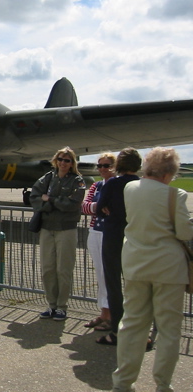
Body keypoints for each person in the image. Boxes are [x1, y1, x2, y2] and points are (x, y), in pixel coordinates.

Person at [112, 147, 193, 392]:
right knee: (169, 328)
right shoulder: (175, 195)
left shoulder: (130, 188)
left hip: (136, 263)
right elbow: (184, 232)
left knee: (132, 323)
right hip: (168, 268)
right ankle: (162, 383)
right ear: (169, 172)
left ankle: (123, 382)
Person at [30, 146, 86, 321]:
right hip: (47, 228)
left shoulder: (77, 181)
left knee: (64, 269)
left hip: (66, 229)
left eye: (67, 160)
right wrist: (53, 204)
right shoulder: (47, 178)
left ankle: (62, 307)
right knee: (47, 269)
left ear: (72, 163)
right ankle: (51, 305)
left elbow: (73, 204)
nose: (63, 163)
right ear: (56, 160)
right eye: (60, 159)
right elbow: (35, 197)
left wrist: (51, 200)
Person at [95, 147, 142, 346]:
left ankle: (116, 329)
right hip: (136, 238)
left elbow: (99, 208)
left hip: (114, 236)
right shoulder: (141, 184)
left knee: (114, 284)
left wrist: (105, 209)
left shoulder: (113, 183)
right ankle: (140, 329)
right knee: (137, 284)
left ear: (118, 165)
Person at [81, 152, 116, 330]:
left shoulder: (117, 185)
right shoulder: (96, 186)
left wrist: (97, 207)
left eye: (107, 165)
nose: (103, 169)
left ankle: (113, 315)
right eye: (100, 165)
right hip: (95, 231)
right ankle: (104, 313)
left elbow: (118, 208)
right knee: (100, 274)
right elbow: (84, 206)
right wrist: (100, 207)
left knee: (111, 275)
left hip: (111, 233)